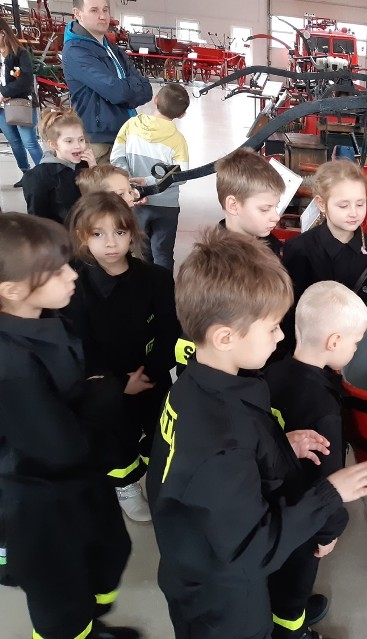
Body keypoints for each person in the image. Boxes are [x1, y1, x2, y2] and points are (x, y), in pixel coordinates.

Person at [146, 228, 367, 639]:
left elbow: (227, 463)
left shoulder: (195, 386)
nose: (281, 336)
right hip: (223, 600)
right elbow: (251, 551)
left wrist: (279, 444)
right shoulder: (221, 443)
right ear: (225, 337)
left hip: (195, 559)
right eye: (274, 327)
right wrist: (330, 494)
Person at [0, 213, 140, 639]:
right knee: (59, 594)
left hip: (77, 481)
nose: (70, 275)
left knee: (105, 555)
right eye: (56, 271)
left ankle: (89, 623)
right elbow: (55, 444)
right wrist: (105, 395)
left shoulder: (44, 319)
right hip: (38, 501)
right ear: (12, 291)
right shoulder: (12, 364)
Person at [63, 192, 180, 522]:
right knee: (115, 436)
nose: (110, 243)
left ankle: (162, 482)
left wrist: (152, 372)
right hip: (103, 384)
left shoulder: (155, 278)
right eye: (98, 234)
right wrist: (116, 385)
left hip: (151, 375)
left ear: (133, 232)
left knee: (160, 431)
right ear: (83, 237)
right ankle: (126, 485)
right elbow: (75, 343)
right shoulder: (74, 284)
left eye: (119, 232)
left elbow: (169, 329)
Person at [265, 281, 367, 639]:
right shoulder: (323, 410)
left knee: (277, 572)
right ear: (334, 343)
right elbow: (327, 481)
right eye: (355, 342)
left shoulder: (272, 371)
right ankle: (292, 628)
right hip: (304, 518)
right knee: (295, 581)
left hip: (270, 500)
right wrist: (329, 530)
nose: (356, 349)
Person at [174, 148, 288, 371]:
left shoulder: (271, 245)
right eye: (265, 209)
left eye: (276, 207)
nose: (275, 216)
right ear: (233, 205)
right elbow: (192, 340)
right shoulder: (210, 267)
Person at [281, 159, 367, 354]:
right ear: (321, 203)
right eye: (343, 206)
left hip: (356, 349)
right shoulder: (300, 249)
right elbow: (290, 313)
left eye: (360, 204)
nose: (354, 213)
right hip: (310, 352)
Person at [111, 82, 191, 271]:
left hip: (135, 203)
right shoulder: (178, 140)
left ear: (155, 100)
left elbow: (116, 158)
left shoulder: (131, 125)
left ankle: (143, 291)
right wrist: (150, 182)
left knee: (140, 250)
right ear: (181, 114)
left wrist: (132, 186)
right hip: (166, 207)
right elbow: (181, 175)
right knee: (162, 254)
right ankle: (164, 294)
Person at [62, 0, 153, 164]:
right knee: (101, 189)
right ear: (77, 13)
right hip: (99, 141)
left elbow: (147, 89)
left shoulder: (112, 48)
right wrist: (130, 87)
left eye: (105, 10)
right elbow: (116, 91)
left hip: (123, 134)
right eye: (94, 10)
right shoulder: (76, 51)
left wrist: (126, 88)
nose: (103, 16)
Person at [22, 108, 96, 224]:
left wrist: (94, 170)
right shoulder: (39, 177)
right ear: (53, 144)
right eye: (69, 141)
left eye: (81, 140)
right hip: (61, 236)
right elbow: (37, 219)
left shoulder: (85, 165)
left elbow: (100, 199)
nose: (78, 146)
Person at [0, 18, 42, 187]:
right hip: (2, 110)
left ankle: (44, 173)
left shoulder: (20, 53)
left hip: (20, 104)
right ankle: (26, 173)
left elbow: (25, 80)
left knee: (29, 142)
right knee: (14, 142)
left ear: (3, 33)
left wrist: (3, 93)